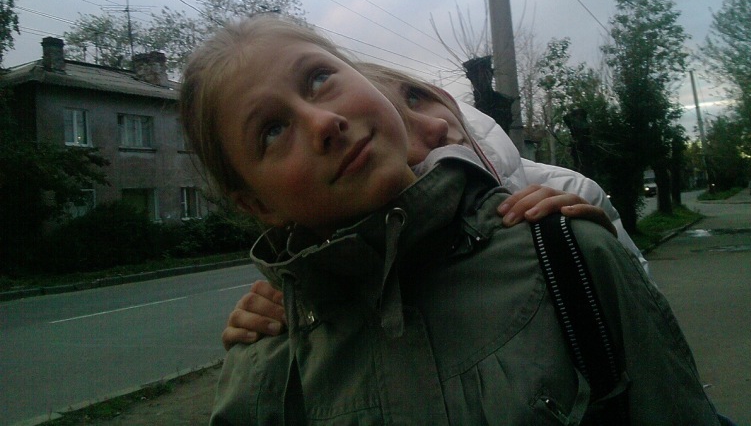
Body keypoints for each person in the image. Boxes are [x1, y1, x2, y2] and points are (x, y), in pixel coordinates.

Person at [182, 14, 721, 424]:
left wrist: (573, 246)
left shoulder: (568, 252)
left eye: (320, 77)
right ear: (256, 205)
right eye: (272, 131)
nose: (323, 122)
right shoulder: (263, 373)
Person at [221, 63, 648, 348]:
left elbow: (647, 333)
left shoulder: (569, 191)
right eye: (400, 131)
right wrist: (279, 320)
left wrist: (597, 258)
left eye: (415, 97)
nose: (436, 125)